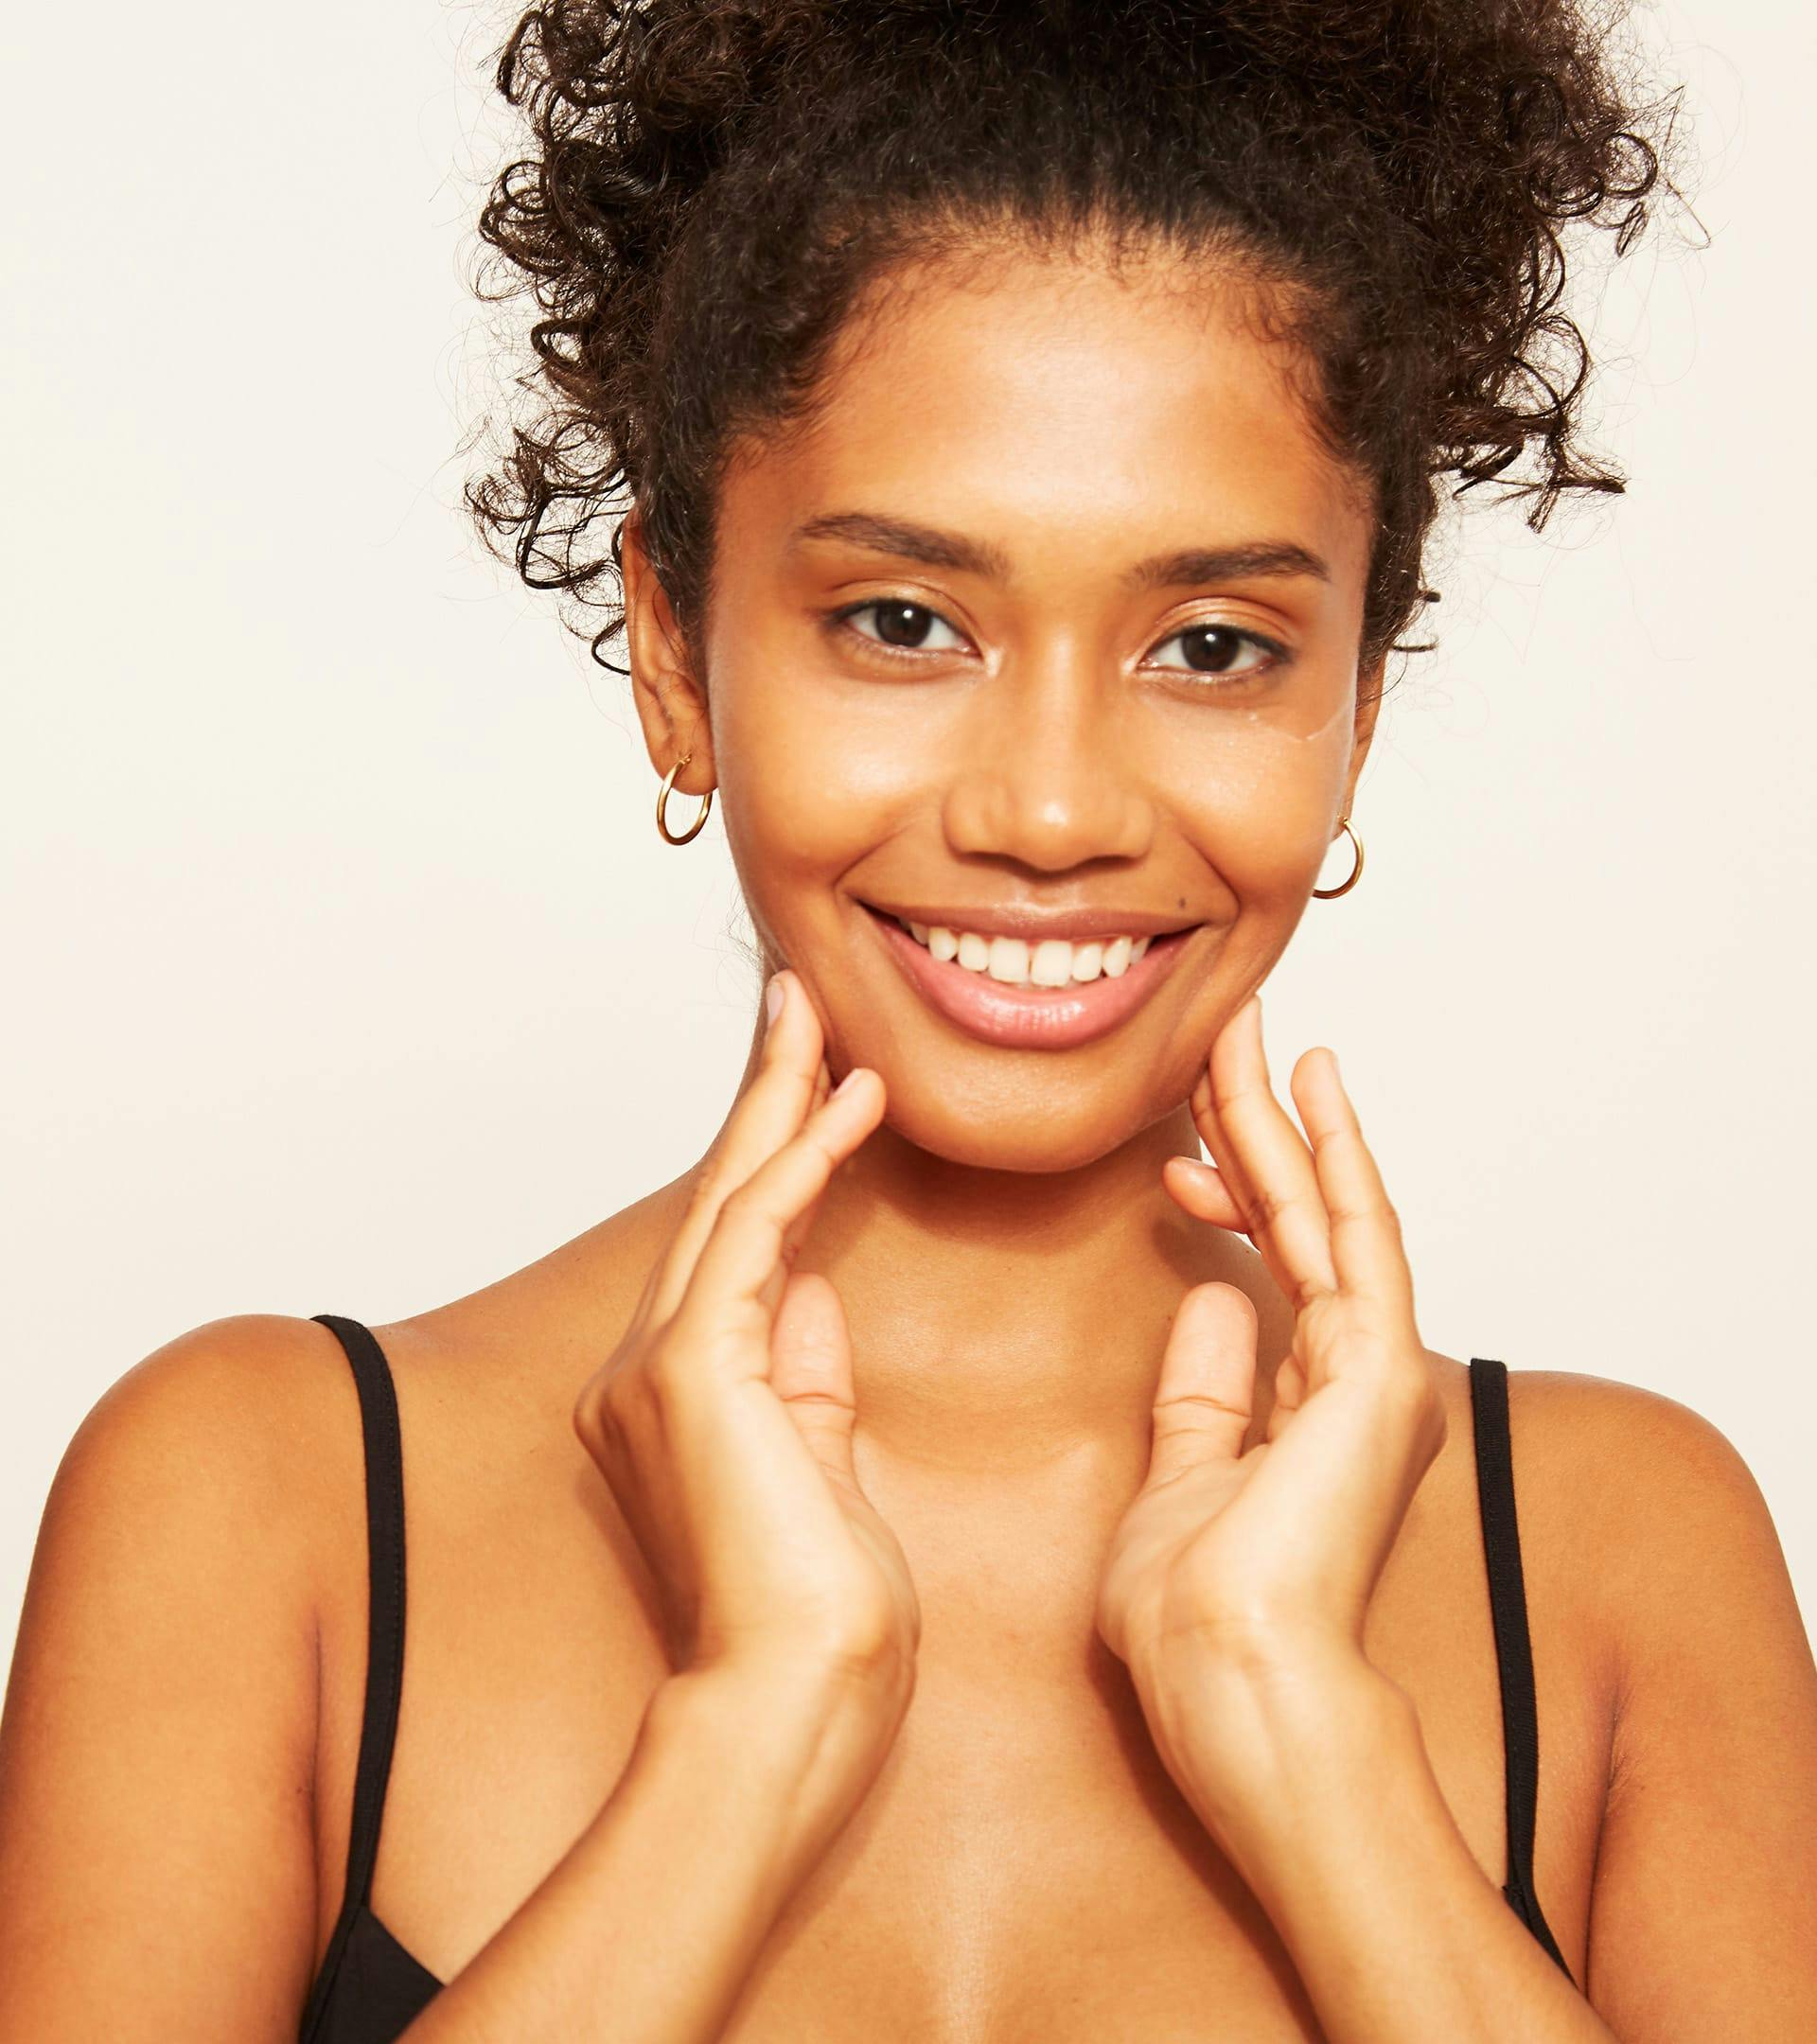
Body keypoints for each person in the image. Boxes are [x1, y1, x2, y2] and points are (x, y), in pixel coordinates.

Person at [3, 1, 1815, 2037]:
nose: (1050, 808)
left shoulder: (1625, 1559)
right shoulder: (257, 1509)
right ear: (675, 655)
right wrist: (753, 1728)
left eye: (1215, 644)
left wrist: (1312, 1748)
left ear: (1358, 715)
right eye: (905, 623)